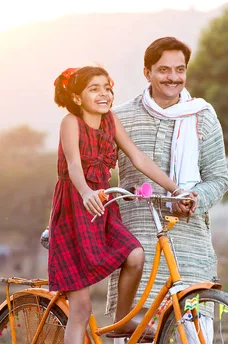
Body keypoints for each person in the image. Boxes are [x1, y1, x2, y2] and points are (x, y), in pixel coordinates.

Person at [48, 66, 187, 344]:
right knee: (81, 309)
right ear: (77, 98)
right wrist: (86, 191)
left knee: (135, 254)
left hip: (103, 206)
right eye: (94, 88)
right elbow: (74, 166)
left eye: (106, 87)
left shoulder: (110, 121)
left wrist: (176, 189)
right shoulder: (71, 122)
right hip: (75, 210)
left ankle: (122, 321)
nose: (104, 94)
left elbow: (139, 158)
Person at [106, 37, 228, 334]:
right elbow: (96, 170)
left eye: (180, 69)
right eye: (163, 70)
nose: (173, 77)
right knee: (135, 334)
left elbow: (219, 177)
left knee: (195, 335)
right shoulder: (120, 118)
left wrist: (194, 197)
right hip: (139, 252)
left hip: (190, 250)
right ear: (147, 72)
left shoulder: (202, 116)